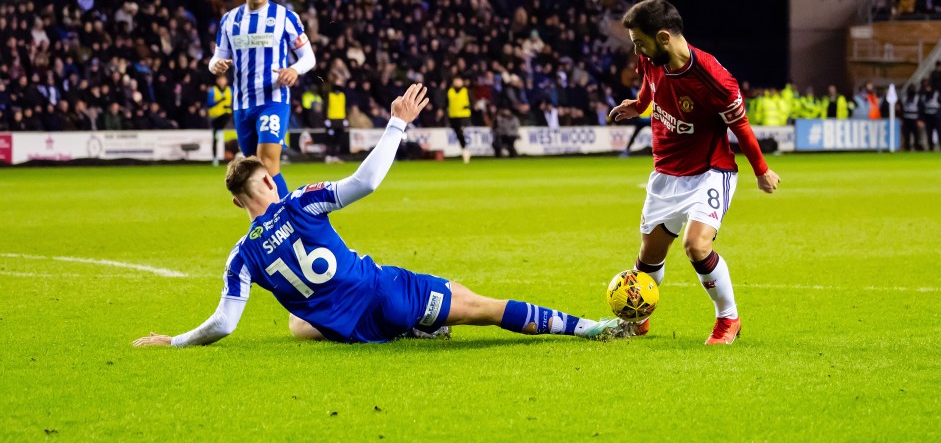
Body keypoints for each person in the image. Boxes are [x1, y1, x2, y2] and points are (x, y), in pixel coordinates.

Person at [133, 84, 639, 348]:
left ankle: (415, 327)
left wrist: (173, 340)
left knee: (296, 321)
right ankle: (590, 329)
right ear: (267, 181)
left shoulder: (241, 257)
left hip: (353, 328)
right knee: (481, 305)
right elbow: (365, 182)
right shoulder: (299, 201)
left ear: (235, 203)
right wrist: (396, 123)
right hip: (385, 294)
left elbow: (223, 323)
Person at [609, 0, 781, 346]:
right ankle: (640, 313)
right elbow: (650, 85)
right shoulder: (650, 57)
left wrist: (761, 171)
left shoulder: (714, 79)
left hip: (709, 170)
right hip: (666, 171)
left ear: (663, 37)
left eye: (639, 42)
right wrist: (639, 106)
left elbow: (741, 127)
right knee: (650, 255)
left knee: (695, 246)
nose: (636, 50)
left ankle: (728, 319)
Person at [209, 0, 316, 197]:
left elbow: (308, 58)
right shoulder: (229, 20)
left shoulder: (285, 17)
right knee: (253, 172)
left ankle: (290, 219)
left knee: (268, 163)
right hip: (242, 104)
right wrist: (215, 65)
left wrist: (295, 70)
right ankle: (270, 222)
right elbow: (217, 57)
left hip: (272, 100)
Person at [207, 73, 233, 165]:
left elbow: (233, 102)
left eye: (223, 79)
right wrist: (219, 101)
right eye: (220, 79)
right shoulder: (213, 91)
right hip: (215, 117)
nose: (222, 81)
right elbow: (209, 104)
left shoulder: (230, 90)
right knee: (215, 138)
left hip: (226, 118)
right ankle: (215, 158)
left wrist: (230, 106)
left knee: (228, 114)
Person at [446, 76, 472, 163]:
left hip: (464, 116)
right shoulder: (450, 91)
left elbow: (472, 101)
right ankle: (464, 149)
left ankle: (465, 150)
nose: (457, 82)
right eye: (456, 81)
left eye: (459, 81)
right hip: (453, 116)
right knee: (458, 134)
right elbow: (446, 102)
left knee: (460, 132)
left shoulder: (466, 91)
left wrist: (468, 106)